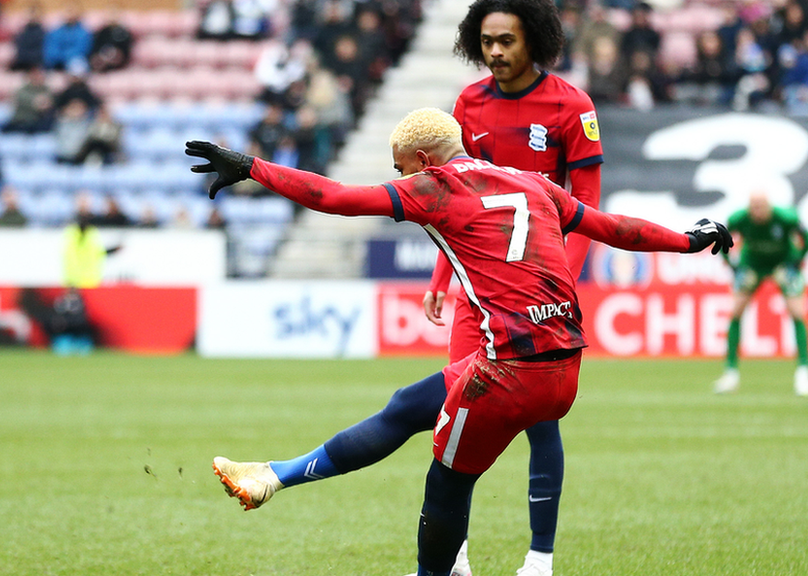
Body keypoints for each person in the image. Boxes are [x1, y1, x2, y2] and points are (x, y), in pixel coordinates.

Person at [187, 107, 731, 576]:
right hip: (564, 366)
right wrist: (688, 240)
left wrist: (252, 167)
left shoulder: (436, 186)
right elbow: (613, 227)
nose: (397, 177)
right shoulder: (531, 181)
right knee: (409, 406)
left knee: (446, 483)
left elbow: (334, 197)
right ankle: (273, 475)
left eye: (399, 167)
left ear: (423, 161)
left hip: (511, 373)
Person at [424, 1, 606, 573]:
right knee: (456, 415)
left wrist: (560, 282)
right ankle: (457, 559)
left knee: (539, 420)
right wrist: (439, 275)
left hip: (541, 297)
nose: (496, 51)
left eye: (507, 40)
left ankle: (539, 558)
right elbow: (448, 201)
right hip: (474, 293)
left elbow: (588, 206)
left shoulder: (572, 106)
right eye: (487, 41)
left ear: (536, 41)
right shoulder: (467, 105)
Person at [714, 190, 808, 396]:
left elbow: (805, 236)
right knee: (736, 312)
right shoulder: (739, 218)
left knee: (797, 313)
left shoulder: (786, 217)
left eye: (761, 206)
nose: (757, 211)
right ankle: (730, 373)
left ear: (769, 206)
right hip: (752, 265)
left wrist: (797, 261)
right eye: (753, 206)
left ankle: (804, 372)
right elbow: (720, 238)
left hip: (782, 263)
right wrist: (733, 265)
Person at [1, 66, 55, 134]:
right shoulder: (22, 91)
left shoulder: (47, 89)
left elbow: (49, 103)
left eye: (40, 74)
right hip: (21, 124)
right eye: (35, 75)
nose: (38, 77)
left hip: (40, 125)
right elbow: (38, 104)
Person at [44, 4, 92, 71]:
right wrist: (58, 58)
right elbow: (51, 49)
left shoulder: (83, 32)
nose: (69, 15)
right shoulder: (55, 32)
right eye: (68, 12)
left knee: (78, 66)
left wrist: (65, 57)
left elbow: (82, 50)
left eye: (72, 12)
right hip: (56, 63)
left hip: (75, 61)